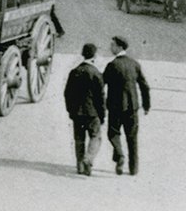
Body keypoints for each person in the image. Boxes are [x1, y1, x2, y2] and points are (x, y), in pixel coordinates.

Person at [102, 35, 150, 176]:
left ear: (119, 47)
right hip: (132, 107)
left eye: (113, 45)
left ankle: (120, 155)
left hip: (116, 107)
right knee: (132, 137)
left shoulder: (112, 65)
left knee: (113, 133)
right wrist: (146, 105)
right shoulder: (134, 64)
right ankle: (134, 169)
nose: (111, 47)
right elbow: (144, 86)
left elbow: (101, 83)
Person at [64, 43, 106, 176]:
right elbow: (100, 97)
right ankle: (88, 159)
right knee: (95, 137)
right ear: (94, 56)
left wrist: (70, 110)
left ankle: (80, 167)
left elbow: (67, 93)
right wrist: (102, 114)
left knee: (79, 139)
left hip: (77, 113)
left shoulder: (74, 71)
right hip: (92, 113)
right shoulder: (96, 73)